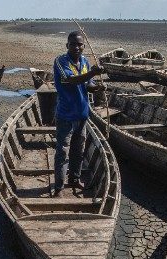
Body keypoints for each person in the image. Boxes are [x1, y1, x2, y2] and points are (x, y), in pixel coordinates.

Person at [52, 30, 104, 198]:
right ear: (67, 45)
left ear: (83, 47)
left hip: (82, 115)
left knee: (78, 150)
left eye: (79, 44)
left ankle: (74, 179)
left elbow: (87, 84)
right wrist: (92, 73)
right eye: (72, 44)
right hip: (66, 116)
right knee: (62, 151)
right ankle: (59, 186)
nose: (76, 47)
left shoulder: (85, 62)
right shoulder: (60, 61)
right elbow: (70, 80)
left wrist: (97, 88)